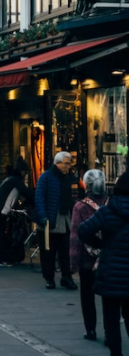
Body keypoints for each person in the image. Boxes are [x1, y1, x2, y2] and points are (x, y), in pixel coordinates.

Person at [77, 173, 129, 356]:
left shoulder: (107, 210)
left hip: (110, 273)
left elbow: (82, 230)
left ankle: (116, 353)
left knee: (111, 318)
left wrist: (101, 244)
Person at [71, 170, 108, 342]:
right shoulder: (111, 204)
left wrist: (73, 262)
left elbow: (75, 237)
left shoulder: (80, 206)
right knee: (109, 299)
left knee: (87, 296)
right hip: (108, 258)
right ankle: (110, 332)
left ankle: (91, 329)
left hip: (87, 258)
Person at [36, 151, 79, 291]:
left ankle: (66, 277)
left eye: (69, 164)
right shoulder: (46, 177)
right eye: (66, 163)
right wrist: (43, 216)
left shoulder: (70, 178)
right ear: (57, 163)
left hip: (66, 218)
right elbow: (39, 197)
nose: (68, 166)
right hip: (50, 219)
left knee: (66, 251)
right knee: (48, 251)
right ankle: (49, 278)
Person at [0, 163, 33, 266]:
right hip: (0, 210)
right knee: (0, 234)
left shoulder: (9, 179)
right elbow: (27, 193)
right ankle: (0, 259)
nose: (26, 174)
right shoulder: (16, 181)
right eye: (25, 172)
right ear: (21, 171)